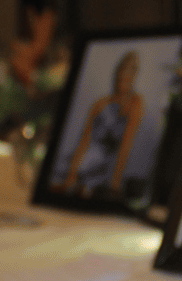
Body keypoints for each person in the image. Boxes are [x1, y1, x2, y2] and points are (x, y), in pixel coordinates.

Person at [55, 51, 144, 197]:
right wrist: (71, 174)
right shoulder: (101, 104)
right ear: (117, 73)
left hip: (107, 167)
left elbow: (126, 145)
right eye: (123, 69)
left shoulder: (136, 103)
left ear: (135, 75)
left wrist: (114, 182)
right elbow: (85, 140)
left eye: (131, 70)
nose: (125, 75)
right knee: (63, 176)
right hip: (87, 160)